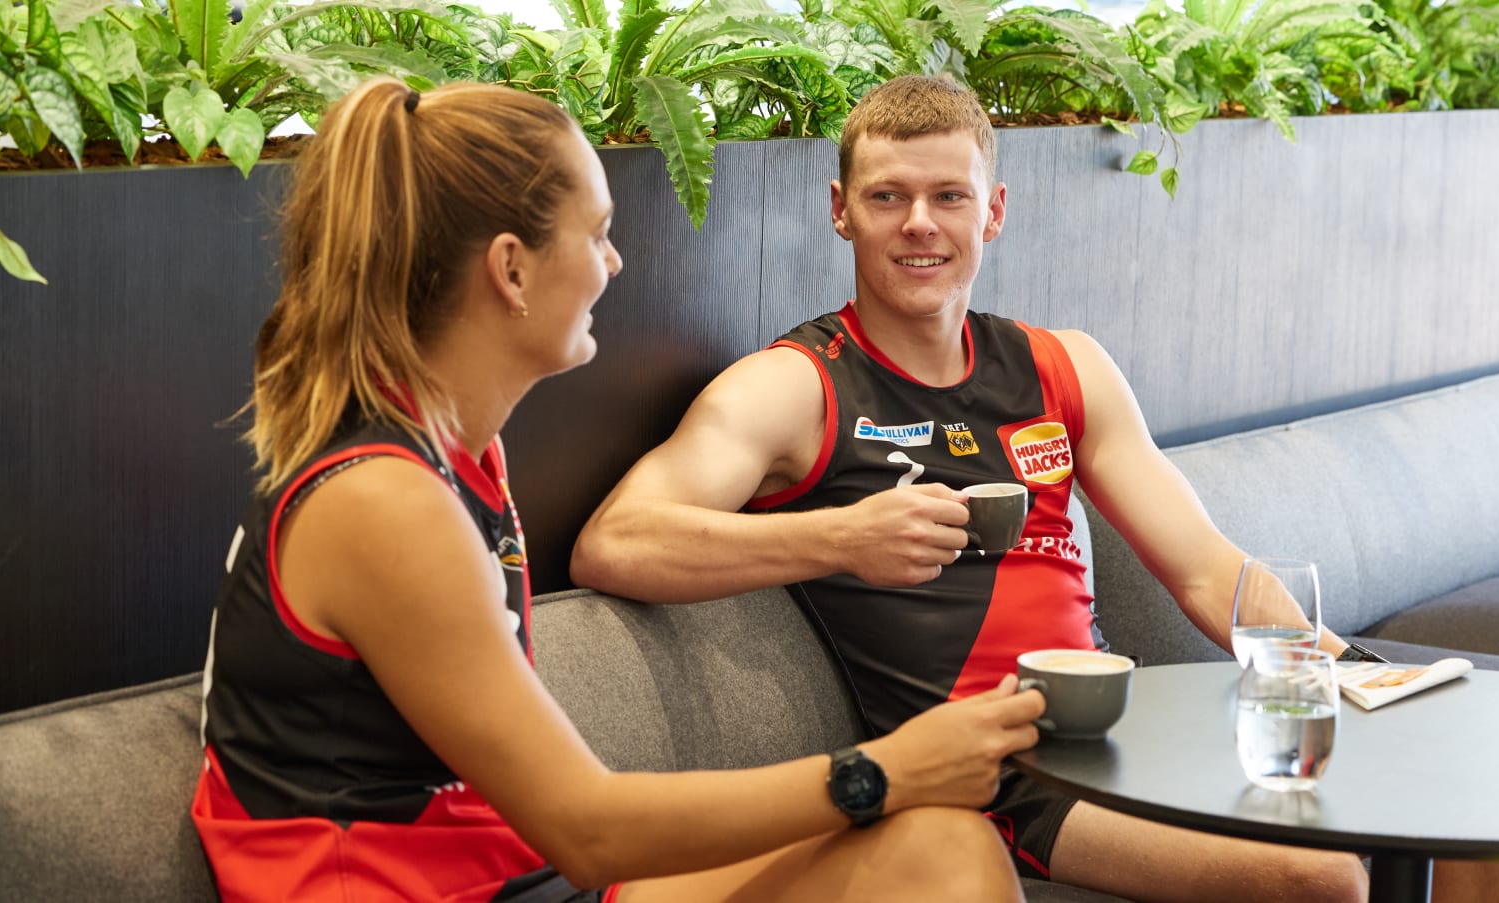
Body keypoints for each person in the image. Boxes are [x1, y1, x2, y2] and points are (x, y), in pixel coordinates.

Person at [570, 75, 1499, 903]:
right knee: (1321, 877)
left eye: (949, 196)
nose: (918, 224)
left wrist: (1353, 669)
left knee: (1477, 798)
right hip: (996, 770)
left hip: (1119, 729)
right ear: (839, 208)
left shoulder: (1064, 365)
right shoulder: (795, 385)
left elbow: (1204, 570)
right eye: (888, 196)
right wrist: (840, 536)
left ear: (992, 211)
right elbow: (617, 542)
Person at [190, 76, 1047, 903]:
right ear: (512, 271)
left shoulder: (457, 458)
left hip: (519, 880)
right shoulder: (381, 501)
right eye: (596, 231)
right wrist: (888, 769)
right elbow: (588, 828)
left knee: (947, 849)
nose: (614, 260)